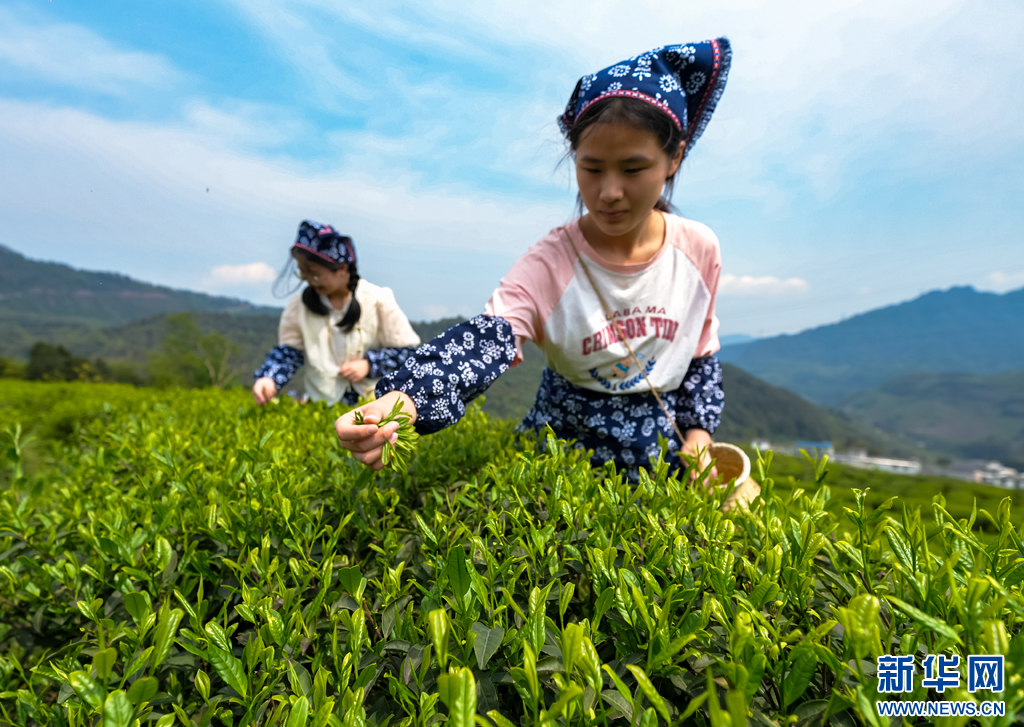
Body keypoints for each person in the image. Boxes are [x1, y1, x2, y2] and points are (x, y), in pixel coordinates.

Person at [336, 40, 735, 483]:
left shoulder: (699, 249)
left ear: (674, 158)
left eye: (633, 168)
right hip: (562, 446)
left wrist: (698, 434)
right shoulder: (551, 262)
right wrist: (405, 401)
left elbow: (701, 354)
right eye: (593, 168)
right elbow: (488, 338)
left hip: (661, 452)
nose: (609, 192)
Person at [253, 221, 421, 406]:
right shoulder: (299, 306)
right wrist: (269, 378)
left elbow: (409, 352)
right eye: (303, 273)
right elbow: (289, 353)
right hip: (321, 405)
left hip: (373, 405)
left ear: (342, 269)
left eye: (315, 274)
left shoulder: (378, 299)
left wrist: (370, 364)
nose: (309, 281)